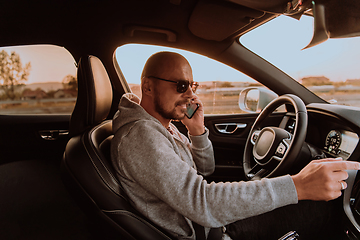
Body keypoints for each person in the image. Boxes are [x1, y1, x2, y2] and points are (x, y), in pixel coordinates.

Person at [111, 51, 360, 240]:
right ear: (148, 87)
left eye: (192, 85)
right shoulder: (141, 135)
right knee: (328, 208)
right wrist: (299, 186)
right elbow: (202, 202)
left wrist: (197, 130)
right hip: (212, 232)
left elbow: (204, 171)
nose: (190, 95)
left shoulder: (162, 125)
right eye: (180, 86)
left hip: (210, 221)